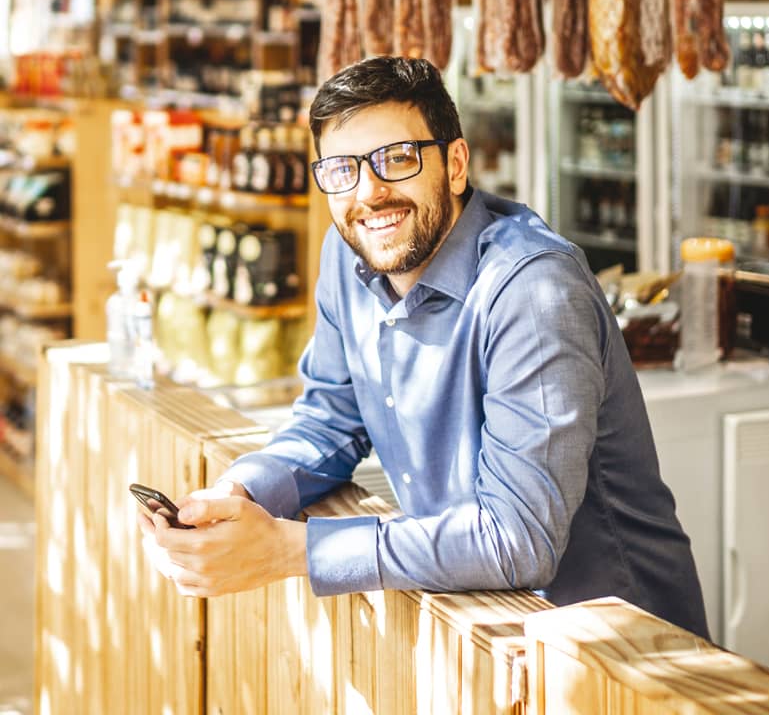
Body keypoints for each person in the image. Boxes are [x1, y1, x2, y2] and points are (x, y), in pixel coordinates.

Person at [138, 56, 709, 638]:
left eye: (397, 158)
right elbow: (330, 422)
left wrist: (291, 550)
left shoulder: (533, 289)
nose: (370, 192)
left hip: (616, 651)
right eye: (342, 170)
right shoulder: (349, 253)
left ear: (455, 164)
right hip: (484, 630)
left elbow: (517, 538)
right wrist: (241, 492)